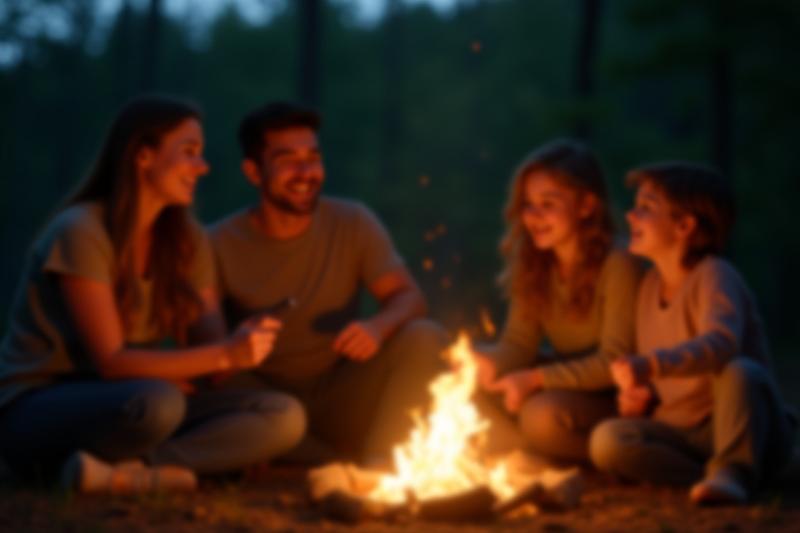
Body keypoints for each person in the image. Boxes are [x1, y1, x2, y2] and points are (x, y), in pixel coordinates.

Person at [0, 95, 305, 493]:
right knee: (159, 404)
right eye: (189, 152)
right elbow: (111, 362)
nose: (203, 166)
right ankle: (178, 463)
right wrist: (226, 352)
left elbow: (211, 349)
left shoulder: (187, 240)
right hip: (38, 405)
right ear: (143, 156)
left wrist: (239, 346)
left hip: (128, 400)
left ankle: (128, 473)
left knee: (283, 414)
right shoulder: (82, 231)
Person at [209, 101, 447, 466]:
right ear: (253, 172)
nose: (306, 172)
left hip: (340, 392)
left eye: (314, 157)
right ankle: (318, 460)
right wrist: (238, 343)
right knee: (235, 394)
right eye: (288, 159)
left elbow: (410, 298)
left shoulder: (352, 221)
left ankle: (381, 465)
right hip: (264, 400)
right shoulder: (217, 243)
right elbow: (205, 354)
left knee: (425, 335)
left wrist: (377, 327)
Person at [589, 162, 797, 504]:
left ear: (685, 225)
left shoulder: (715, 275)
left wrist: (651, 364)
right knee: (608, 440)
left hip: (744, 425)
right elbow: (667, 376)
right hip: (684, 433)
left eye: (646, 208)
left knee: (740, 370)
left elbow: (721, 344)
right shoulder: (648, 286)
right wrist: (641, 398)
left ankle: (736, 470)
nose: (631, 215)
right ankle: (718, 477)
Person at [475, 139, 642, 463]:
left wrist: (534, 379)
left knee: (541, 416)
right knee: (464, 383)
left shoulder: (619, 264)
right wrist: (485, 364)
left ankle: (597, 456)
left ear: (586, 206)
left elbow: (614, 361)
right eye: (527, 204)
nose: (533, 216)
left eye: (548, 204)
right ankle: (526, 454)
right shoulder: (536, 263)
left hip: (615, 396)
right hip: (561, 384)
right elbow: (519, 343)